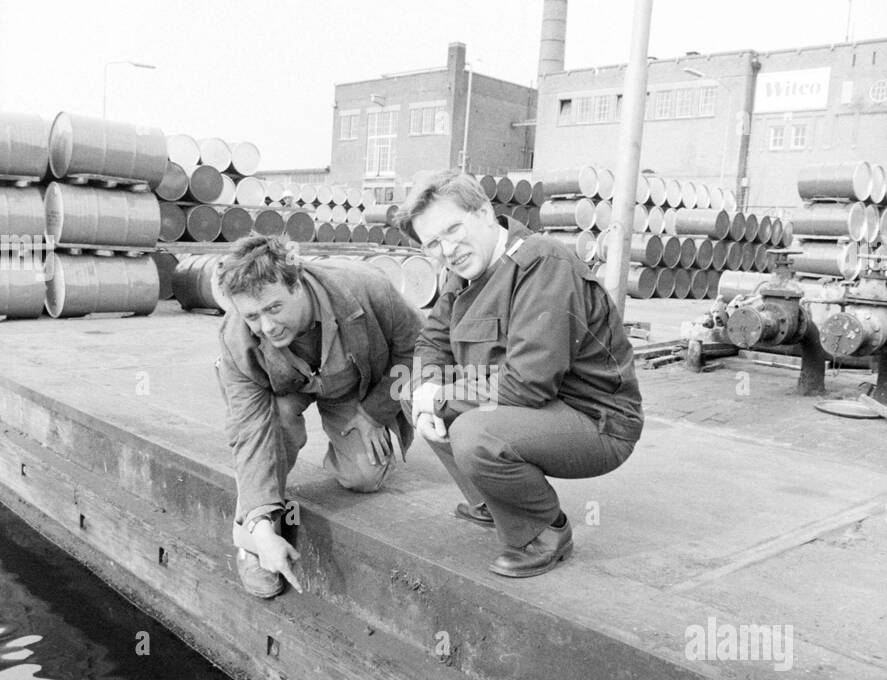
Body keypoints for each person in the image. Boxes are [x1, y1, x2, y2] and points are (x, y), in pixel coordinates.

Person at [398, 170, 643, 578]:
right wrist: (424, 390)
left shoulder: (542, 263)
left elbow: (527, 382)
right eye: (434, 244)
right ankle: (490, 501)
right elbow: (432, 344)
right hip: (537, 408)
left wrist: (438, 399)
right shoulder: (462, 274)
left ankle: (544, 531)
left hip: (596, 421)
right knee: (415, 389)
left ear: (483, 212)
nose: (448, 249)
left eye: (453, 229)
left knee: (475, 433)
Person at [215, 235, 422, 598]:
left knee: (364, 475)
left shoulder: (365, 285)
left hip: (351, 384)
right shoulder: (236, 338)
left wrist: (376, 411)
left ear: (297, 282)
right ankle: (250, 538)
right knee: (272, 429)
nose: (265, 327)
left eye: (274, 308)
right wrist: (261, 527)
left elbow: (416, 349)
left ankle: (341, 441)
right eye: (252, 316)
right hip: (283, 392)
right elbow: (249, 429)